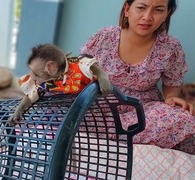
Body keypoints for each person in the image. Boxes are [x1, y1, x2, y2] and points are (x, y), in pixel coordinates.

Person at [80, 0, 195, 154]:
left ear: (167, 14)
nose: (147, 17)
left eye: (158, 10)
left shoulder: (171, 47)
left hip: (144, 111)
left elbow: (171, 85)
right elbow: (81, 69)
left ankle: (113, 134)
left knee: (183, 118)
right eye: (141, 8)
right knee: (69, 115)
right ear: (127, 9)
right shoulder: (103, 37)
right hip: (102, 108)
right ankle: (127, 135)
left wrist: (171, 98)